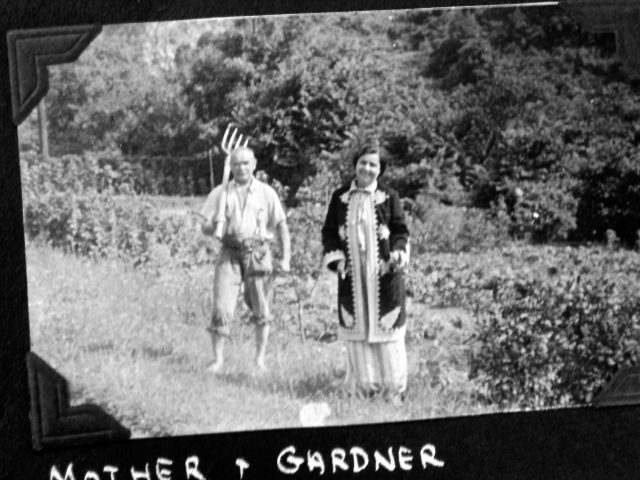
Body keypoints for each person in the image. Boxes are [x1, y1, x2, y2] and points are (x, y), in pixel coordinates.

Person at [321, 137, 410, 401]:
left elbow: (400, 230)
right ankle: (363, 389)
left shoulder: (389, 196)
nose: (367, 169)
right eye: (363, 163)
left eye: (373, 165)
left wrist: (397, 252)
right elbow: (329, 232)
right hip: (353, 275)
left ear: (380, 170)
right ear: (355, 164)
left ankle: (393, 391)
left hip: (383, 273)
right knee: (358, 328)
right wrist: (337, 259)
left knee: (387, 329)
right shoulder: (340, 197)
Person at [200, 146, 291, 373]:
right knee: (221, 307)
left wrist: (286, 258)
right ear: (230, 166)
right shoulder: (220, 192)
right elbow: (205, 227)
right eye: (236, 163)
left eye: (245, 163)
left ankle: (259, 361)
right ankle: (217, 360)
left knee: (262, 308)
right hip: (229, 253)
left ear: (254, 164)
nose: (241, 168)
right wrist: (216, 220)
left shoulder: (266, 193)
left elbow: (281, 226)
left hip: (257, 253)